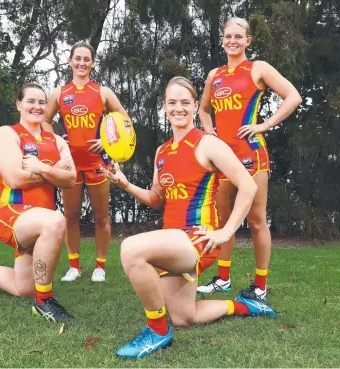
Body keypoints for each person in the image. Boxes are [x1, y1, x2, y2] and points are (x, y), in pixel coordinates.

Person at [101, 77, 277, 359]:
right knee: (185, 316)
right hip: (175, 241)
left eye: (185, 102)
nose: (178, 108)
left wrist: (225, 232)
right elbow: (158, 199)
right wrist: (125, 184)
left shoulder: (208, 143)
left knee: (131, 249)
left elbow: (248, 185)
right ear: (165, 107)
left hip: (198, 237)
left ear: (196, 106)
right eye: (172, 103)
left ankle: (157, 331)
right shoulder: (162, 152)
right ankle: (244, 305)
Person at [197, 17, 302, 299]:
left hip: (251, 154)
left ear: (248, 41)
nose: (233, 41)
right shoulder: (214, 75)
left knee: (256, 221)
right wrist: (211, 136)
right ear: (222, 40)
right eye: (228, 36)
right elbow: (204, 110)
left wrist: (264, 125)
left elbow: (293, 96)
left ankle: (260, 286)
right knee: (223, 221)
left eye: (238, 37)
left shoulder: (258, 68)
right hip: (222, 158)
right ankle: (223, 279)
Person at [0, 82, 77, 323]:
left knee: (23, 288)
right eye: (31, 101)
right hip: (9, 212)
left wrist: (41, 167)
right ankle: (44, 302)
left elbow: (71, 179)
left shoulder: (57, 141)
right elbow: (14, 178)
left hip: (39, 220)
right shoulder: (7, 133)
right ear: (19, 104)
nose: (37, 106)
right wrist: (54, 172)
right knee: (55, 221)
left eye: (42, 102)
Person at [42, 41, 130, 283]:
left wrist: (107, 141)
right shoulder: (60, 93)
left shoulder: (102, 92)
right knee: (70, 216)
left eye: (86, 59)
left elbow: (124, 121)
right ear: (70, 61)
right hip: (70, 165)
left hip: (98, 164)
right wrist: (56, 141)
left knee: (101, 217)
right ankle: (74, 266)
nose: (82, 63)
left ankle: (100, 266)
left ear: (93, 63)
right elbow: (46, 121)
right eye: (77, 58)